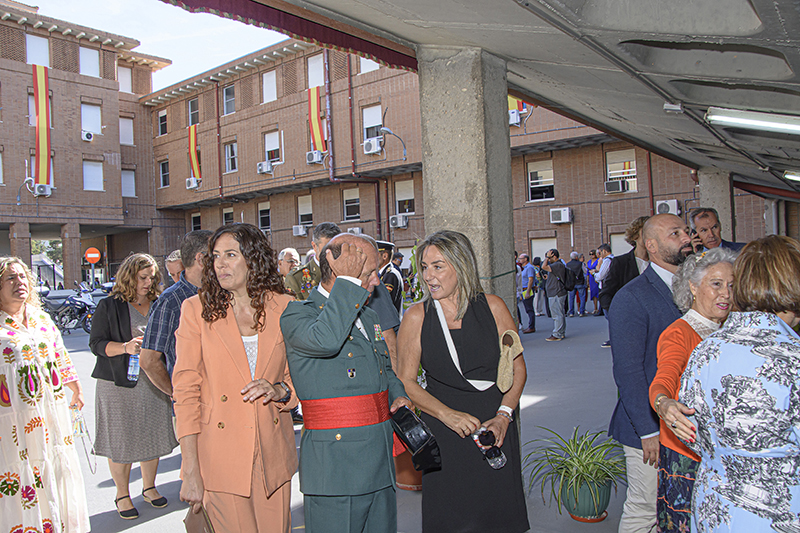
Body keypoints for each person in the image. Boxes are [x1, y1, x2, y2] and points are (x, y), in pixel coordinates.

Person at [396, 230, 529, 533]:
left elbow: (518, 369)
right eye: (425, 267)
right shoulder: (417, 317)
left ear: (462, 265)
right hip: (445, 434)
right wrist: (447, 415)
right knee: (452, 518)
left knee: (498, 517)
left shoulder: (494, 308)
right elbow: (406, 382)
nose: (429, 276)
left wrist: (503, 417)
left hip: (495, 429)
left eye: (438, 266)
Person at [280, 233, 412, 533]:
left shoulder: (368, 316)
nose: (376, 282)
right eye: (368, 274)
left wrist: (398, 394)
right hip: (337, 467)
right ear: (340, 274)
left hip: (379, 459)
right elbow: (327, 341)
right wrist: (349, 283)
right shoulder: (299, 314)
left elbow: (385, 370)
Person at [174, 223, 298, 532]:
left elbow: (300, 378)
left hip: (272, 454)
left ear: (253, 259)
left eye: (231, 254)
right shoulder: (195, 310)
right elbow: (186, 391)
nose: (220, 264)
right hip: (220, 455)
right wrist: (189, 468)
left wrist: (281, 390)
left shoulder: (286, 307)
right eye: (216, 256)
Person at [678, 236, 800, 532]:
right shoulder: (793, 357)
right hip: (780, 513)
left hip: (716, 510)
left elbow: (687, 430)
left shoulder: (707, 350)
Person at [608, 213, 693, 533]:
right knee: (646, 507)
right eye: (676, 233)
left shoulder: (699, 290)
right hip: (649, 429)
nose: (687, 237)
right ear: (652, 246)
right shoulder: (632, 298)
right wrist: (648, 431)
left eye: (686, 231)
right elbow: (628, 372)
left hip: (686, 423)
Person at [0, 256, 90, 533]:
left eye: (23, 276)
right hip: (10, 421)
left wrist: (74, 384)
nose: (20, 283)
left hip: (51, 415)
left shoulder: (41, 319)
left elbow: (60, 355)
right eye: (10, 278)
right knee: (19, 471)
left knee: (54, 465)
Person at [649, 247, 735, 532]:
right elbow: (664, 378)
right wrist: (663, 403)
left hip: (723, 454)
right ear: (693, 287)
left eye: (732, 285)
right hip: (689, 456)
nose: (726, 293)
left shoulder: (733, 330)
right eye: (716, 284)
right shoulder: (679, 332)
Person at [89, 253, 177, 520]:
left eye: (152, 277)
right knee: (122, 439)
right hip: (117, 384)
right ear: (129, 276)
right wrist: (126, 347)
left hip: (153, 379)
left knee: (151, 433)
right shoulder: (110, 305)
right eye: (143, 277)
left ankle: (149, 487)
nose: (149, 282)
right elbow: (96, 344)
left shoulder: (159, 303)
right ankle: (122, 494)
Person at [140, 230, 212, 396]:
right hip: (193, 408)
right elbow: (148, 360)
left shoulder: (221, 293)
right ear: (201, 259)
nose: (222, 262)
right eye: (216, 255)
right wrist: (178, 395)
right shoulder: (170, 301)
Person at [599, 216, 650, 347]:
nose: (651, 235)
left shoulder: (662, 262)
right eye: (646, 231)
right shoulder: (620, 263)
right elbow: (606, 294)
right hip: (632, 326)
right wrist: (618, 318)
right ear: (634, 236)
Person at [542, 248, 568, 341]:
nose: (548, 259)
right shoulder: (558, 265)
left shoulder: (557, 265)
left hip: (556, 292)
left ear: (554, 256)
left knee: (556, 314)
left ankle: (557, 334)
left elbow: (543, 267)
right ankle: (561, 332)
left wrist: (546, 258)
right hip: (557, 291)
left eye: (550, 257)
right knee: (560, 313)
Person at [377, 240, 404, 315]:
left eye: (375, 255)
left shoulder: (390, 275)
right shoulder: (383, 273)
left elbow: (384, 304)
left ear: (385, 256)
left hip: (389, 323)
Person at [566, 251, 586, 317]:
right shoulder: (581, 264)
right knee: (582, 297)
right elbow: (585, 271)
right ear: (577, 257)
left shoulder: (568, 264)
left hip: (571, 283)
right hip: (580, 282)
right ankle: (581, 312)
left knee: (571, 298)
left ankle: (571, 312)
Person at [519, 253, 536, 333]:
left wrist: (528, 292)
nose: (519, 260)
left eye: (521, 258)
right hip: (524, 289)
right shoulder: (524, 268)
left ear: (525, 259)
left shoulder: (529, 268)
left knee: (529, 309)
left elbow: (531, 279)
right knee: (527, 309)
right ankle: (530, 326)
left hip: (527, 289)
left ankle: (531, 326)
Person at [586, 249, 600, 314]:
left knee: (598, 292)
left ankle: (600, 308)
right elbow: (587, 272)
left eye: (592, 254)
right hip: (591, 278)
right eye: (590, 254)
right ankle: (595, 308)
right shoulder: (589, 262)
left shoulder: (598, 260)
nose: (591, 255)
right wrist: (587, 281)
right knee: (593, 293)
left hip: (596, 277)